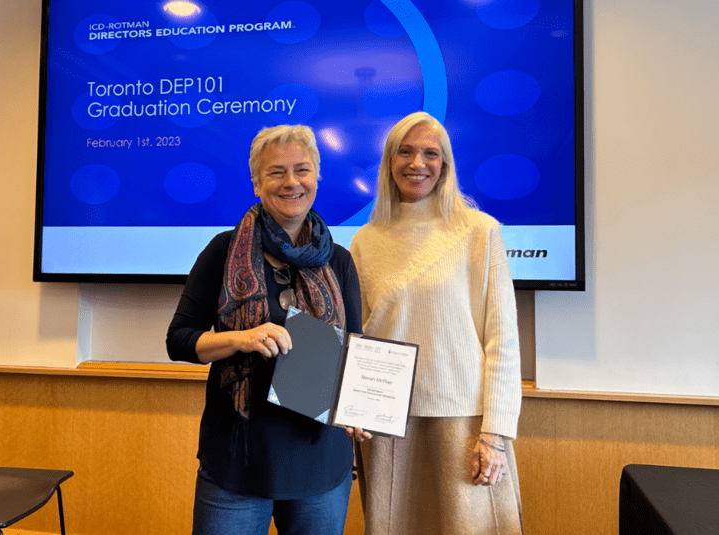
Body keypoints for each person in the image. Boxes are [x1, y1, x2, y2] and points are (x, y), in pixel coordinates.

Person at [167, 124, 367, 535]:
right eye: (276, 172)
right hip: (238, 463)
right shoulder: (223, 250)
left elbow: (354, 352)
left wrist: (360, 405)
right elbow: (179, 339)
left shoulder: (340, 262)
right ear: (257, 182)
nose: (291, 182)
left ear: (316, 177)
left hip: (321, 465)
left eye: (302, 170)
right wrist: (240, 338)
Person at [350, 111, 523, 535]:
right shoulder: (365, 240)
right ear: (389, 162)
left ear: (445, 163)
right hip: (387, 425)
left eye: (431, 153)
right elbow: (357, 335)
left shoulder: (479, 231)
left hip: (464, 423)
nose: (417, 163)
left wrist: (495, 433)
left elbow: (502, 338)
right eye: (405, 152)